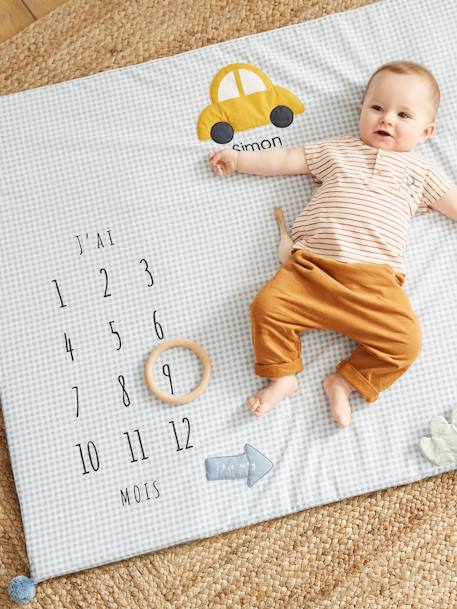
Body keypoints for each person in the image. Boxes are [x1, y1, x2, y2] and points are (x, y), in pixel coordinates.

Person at [209, 60, 457, 427]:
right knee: (265, 308)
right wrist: (240, 159)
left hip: (374, 286)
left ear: (426, 131)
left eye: (403, 114)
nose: (386, 120)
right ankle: (283, 376)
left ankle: (343, 380)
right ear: (361, 111)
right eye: (376, 108)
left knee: (406, 343)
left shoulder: (421, 174)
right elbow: (285, 158)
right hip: (311, 271)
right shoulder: (337, 150)